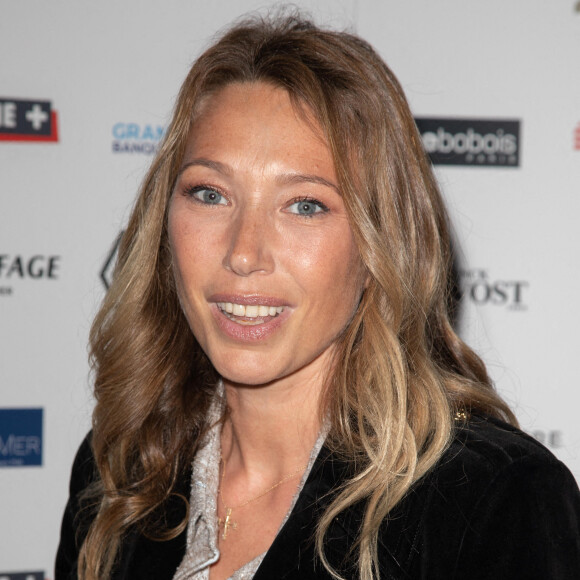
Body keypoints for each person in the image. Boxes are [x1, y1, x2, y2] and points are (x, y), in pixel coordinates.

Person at [55, 13, 580, 580]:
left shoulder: (491, 502)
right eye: (210, 193)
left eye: (304, 205)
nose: (244, 253)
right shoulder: (119, 473)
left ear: (382, 242)